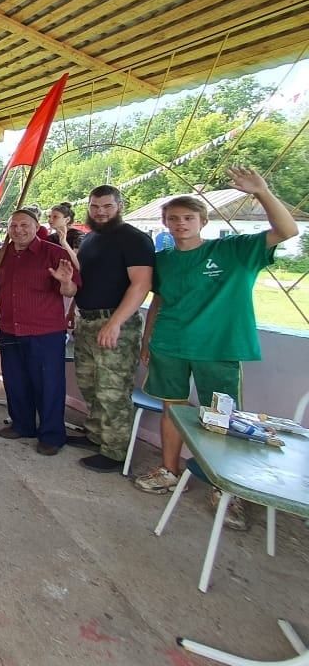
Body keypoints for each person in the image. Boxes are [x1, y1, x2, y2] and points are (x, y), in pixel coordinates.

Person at [134, 167, 297, 531]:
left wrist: (263, 192)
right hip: (171, 344)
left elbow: (288, 231)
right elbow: (158, 301)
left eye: (188, 218)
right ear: (165, 223)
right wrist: (147, 340)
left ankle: (226, 488)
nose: (180, 224)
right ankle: (169, 469)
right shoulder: (164, 261)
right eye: (173, 219)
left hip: (219, 346)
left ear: (203, 221)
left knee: (221, 418)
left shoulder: (234, 251)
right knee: (172, 410)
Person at [0, 209, 80, 456]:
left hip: (45, 331)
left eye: (25, 225)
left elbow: (71, 291)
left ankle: (52, 435)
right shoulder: (1, 256)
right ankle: (22, 424)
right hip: (11, 329)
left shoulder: (54, 253)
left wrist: (65, 281)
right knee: (15, 380)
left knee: (49, 384)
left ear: (36, 227)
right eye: (14, 226)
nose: (19, 230)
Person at [67, 186, 154, 473]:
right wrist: (72, 311)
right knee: (90, 384)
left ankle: (116, 451)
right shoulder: (91, 238)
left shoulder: (134, 239)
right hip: (87, 320)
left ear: (119, 205)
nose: (100, 212)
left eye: (106, 206)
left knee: (113, 390)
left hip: (116, 323)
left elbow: (141, 284)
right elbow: (83, 280)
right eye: (94, 206)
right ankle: (95, 434)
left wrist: (115, 322)